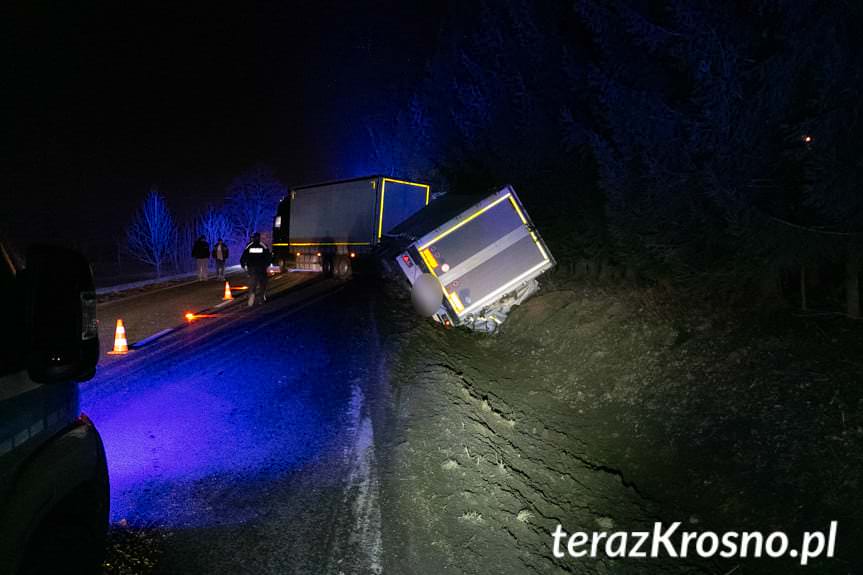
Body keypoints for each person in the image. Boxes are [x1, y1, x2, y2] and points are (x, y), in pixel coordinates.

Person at [240, 232, 272, 306]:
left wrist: (243, 264)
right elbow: (268, 256)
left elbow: (244, 256)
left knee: (253, 283)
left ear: (253, 238)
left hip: (252, 268)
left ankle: (251, 298)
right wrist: (267, 265)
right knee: (262, 284)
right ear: (259, 237)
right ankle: (261, 298)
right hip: (261, 268)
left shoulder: (249, 246)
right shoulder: (263, 246)